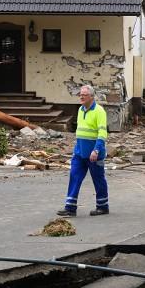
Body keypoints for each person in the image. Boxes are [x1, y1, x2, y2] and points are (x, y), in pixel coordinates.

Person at [57, 85, 109, 216]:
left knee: (98, 179)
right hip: (80, 152)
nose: (81, 96)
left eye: (84, 95)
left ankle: (102, 206)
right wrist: (76, 150)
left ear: (91, 96)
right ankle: (70, 207)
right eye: (80, 94)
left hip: (94, 154)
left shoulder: (99, 111)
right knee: (74, 176)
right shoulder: (80, 109)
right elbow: (80, 132)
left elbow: (102, 133)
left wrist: (96, 150)